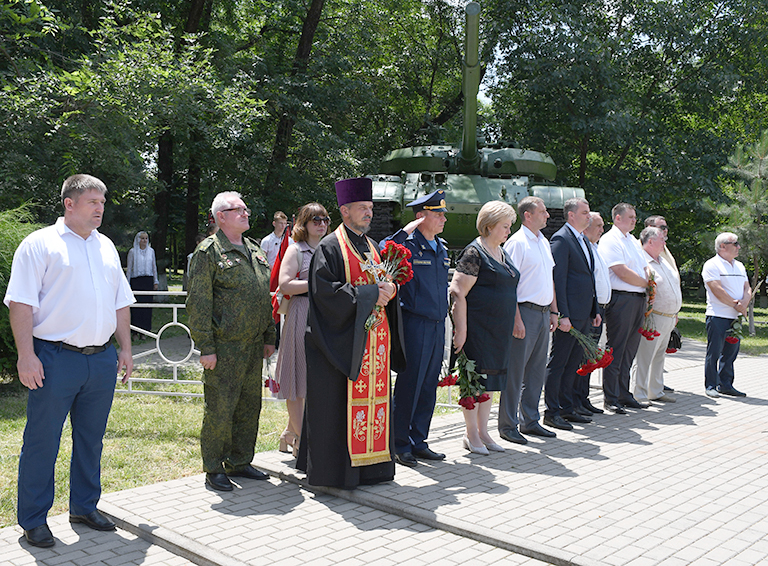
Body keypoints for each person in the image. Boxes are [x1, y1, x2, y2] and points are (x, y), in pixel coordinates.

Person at [4, 174, 135, 548]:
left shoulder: (106, 246)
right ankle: (33, 519)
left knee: (91, 440)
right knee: (43, 441)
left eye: (103, 202)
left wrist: (124, 348)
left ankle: (83, 506)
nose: (100, 208)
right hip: (54, 358)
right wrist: (26, 356)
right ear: (69, 204)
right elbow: (21, 304)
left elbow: (120, 301)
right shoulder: (39, 245)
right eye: (93, 201)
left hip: (100, 360)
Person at [296, 177, 405, 489]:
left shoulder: (372, 246)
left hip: (374, 343)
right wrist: (373, 293)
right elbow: (326, 294)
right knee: (334, 408)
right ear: (344, 210)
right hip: (339, 343)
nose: (369, 213)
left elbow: (380, 285)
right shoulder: (330, 248)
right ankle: (337, 473)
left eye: (370, 208)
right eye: (362, 208)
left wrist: (390, 290)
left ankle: (373, 469)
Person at [186, 191, 276, 492]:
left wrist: (269, 336)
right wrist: (206, 348)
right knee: (220, 408)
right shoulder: (208, 252)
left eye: (246, 209)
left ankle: (240, 460)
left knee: (249, 406)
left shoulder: (254, 249)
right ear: (220, 216)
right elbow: (199, 302)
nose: (246, 213)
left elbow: (264, 296)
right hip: (224, 348)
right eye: (238, 210)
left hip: (252, 346)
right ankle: (214, 467)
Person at [382, 190, 450, 468]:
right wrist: (405, 231)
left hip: (436, 325)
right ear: (421, 217)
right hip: (415, 323)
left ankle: (419, 440)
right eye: (438, 214)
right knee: (411, 384)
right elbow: (383, 251)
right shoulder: (408, 245)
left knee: (428, 386)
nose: (444, 218)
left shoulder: (441, 247)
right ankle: (399, 444)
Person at [450, 200, 519, 455]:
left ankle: (483, 431)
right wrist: (462, 330)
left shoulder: (502, 251)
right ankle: (471, 434)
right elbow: (458, 292)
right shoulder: (474, 253)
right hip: (477, 328)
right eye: (504, 226)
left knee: (490, 383)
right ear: (489, 226)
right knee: (474, 382)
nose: (508, 231)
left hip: (498, 330)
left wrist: (516, 319)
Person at [498, 196, 558, 442]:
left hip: (543, 313)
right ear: (528, 215)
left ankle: (530, 420)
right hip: (524, 312)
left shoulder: (543, 241)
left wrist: (554, 310)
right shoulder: (517, 243)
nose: (547, 215)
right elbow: (508, 284)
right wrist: (516, 319)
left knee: (536, 370)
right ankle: (508, 424)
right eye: (543, 212)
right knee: (515, 371)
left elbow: (549, 278)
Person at [273, 202, 330, 456]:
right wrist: (316, 284)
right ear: (304, 223)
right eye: (316, 219)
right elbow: (285, 285)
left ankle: (289, 433)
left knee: (314, 379)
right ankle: (302, 443)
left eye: (326, 219)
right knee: (297, 380)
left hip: (325, 317)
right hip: (301, 314)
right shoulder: (296, 250)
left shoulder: (331, 250)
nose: (322, 224)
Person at [543, 197, 600, 429]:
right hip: (569, 316)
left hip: (583, 313)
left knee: (572, 363)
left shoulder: (582, 240)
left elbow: (589, 279)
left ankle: (567, 408)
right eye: (585, 213)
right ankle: (551, 410)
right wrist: (562, 313)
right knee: (559, 362)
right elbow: (559, 279)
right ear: (571, 215)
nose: (589, 216)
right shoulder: (562, 239)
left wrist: (594, 310)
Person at [598, 203, 651, 414]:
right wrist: (646, 283)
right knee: (617, 348)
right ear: (617, 218)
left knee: (630, 350)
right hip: (621, 299)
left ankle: (624, 393)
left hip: (637, 299)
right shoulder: (611, 240)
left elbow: (643, 267)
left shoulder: (632, 241)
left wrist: (649, 283)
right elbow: (621, 271)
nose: (634, 220)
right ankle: (611, 397)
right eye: (630, 217)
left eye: (635, 217)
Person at [632, 227, 682, 403]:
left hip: (669, 316)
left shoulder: (664, 261)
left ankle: (656, 391)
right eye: (661, 239)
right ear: (650, 241)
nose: (664, 242)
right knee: (645, 357)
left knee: (660, 355)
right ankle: (639, 393)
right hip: (653, 316)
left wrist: (675, 313)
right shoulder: (641, 261)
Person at [702, 232, 750, 398]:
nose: (739, 247)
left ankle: (726, 384)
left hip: (735, 317)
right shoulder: (712, 265)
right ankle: (711, 385)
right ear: (722, 246)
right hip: (718, 315)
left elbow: (747, 287)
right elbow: (716, 289)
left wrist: (744, 303)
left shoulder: (739, 266)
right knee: (714, 352)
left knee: (731, 352)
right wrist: (736, 304)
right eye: (735, 243)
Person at [581, 211, 611, 414]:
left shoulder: (596, 248)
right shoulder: (584, 247)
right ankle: (575, 399)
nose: (602, 230)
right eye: (598, 226)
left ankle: (583, 398)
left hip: (599, 308)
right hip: (589, 308)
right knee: (583, 357)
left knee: (590, 357)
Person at [126, 231, 159, 339]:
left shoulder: (151, 251)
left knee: (147, 306)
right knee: (136, 307)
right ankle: (135, 331)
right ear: (138, 240)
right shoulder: (132, 252)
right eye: (142, 238)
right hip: (136, 281)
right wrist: (127, 283)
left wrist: (155, 281)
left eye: (146, 238)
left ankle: (145, 331)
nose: (144, 241)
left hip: (148, 280)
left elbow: (154, 267)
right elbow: (129, 268)